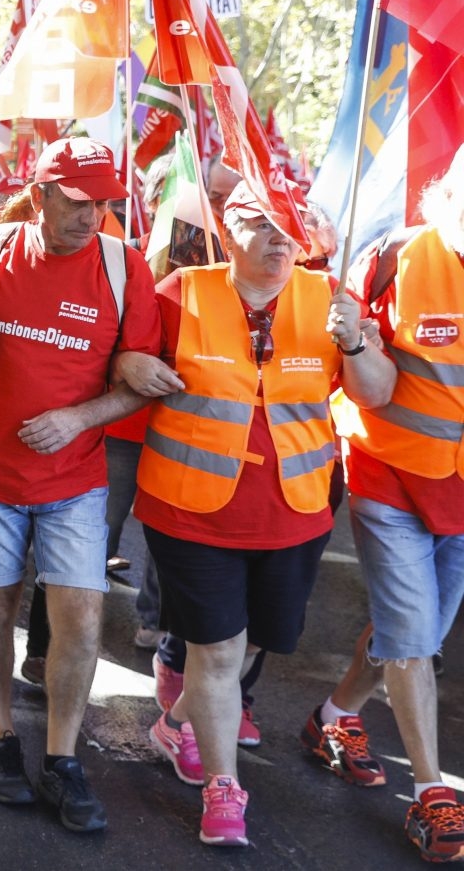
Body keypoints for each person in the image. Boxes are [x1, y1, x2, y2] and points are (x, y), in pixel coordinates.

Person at [123, 181, 393, 848]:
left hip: (296, 511)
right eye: (264, 223)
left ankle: (176, 721)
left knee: (254, 638)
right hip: (192, 510)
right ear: (227, 226)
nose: (281, 238)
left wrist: (356, 345)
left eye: (292, 226)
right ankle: (224, 787)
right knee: (215, 649)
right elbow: (123, 360)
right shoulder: (180, 292)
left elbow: (378, 393)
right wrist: (131, 360)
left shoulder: (328, 300)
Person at [0, 138, 162, 834]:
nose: (90, 215)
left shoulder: (123, 267)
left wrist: (78, 417)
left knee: (80, 617)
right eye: (75, 201)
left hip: (76, 479)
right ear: (39, 194)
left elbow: (140, 385)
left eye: (101, 203)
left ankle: (63, 758)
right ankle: (1, 740)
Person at [303, 146, 464, 862]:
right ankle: (433, 795)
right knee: (413, 633)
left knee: (417, 629)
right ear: (445, 192)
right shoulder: (397, 257)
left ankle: (333, 717)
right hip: (389, 473)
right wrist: (357, 338)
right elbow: (372, 389)